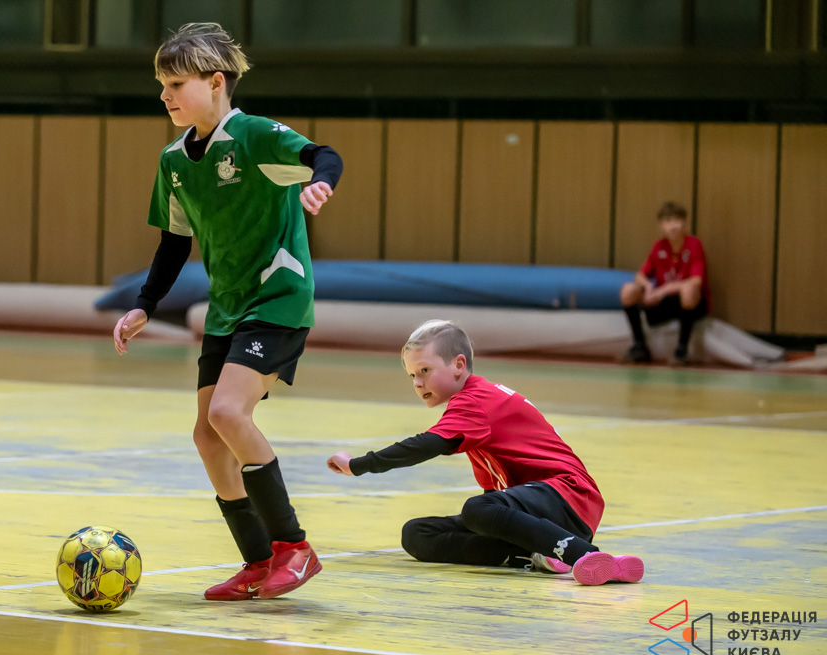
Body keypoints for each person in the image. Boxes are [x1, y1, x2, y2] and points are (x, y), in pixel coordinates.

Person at [113, 23, 343, 600]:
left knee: (227, 413)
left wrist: (319, 183)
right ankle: (258, 561)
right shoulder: (173, 161)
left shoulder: (256, 135)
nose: (165, 95)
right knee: (207, 435)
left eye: (176, 84)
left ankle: (295, 548)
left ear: (216, 83)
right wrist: (144, 305)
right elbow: (174, 242)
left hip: (278, 299)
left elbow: (324, 155)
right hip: (227, 309)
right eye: (161, 85)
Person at [326, 320, 644, 586]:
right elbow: (495, 492)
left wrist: (357, 464)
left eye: (424, 370)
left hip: (568, 498)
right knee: (418, 533)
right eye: (412, 375)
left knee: (477, 509)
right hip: (536, 513)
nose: (418, 383)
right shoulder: (473, 401)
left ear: (458, 365)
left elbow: (426, 445)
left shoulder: (475, 400)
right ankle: (533, 555)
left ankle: (584, 555)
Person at [621, 201, 711, 365]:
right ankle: (639, 346)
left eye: (677, 220)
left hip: (692, 304)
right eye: (668, 221)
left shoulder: (694, 245)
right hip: (666, 303)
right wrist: (648, 286)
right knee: (627, 290)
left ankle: (681, 350)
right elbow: (640, 275)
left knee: (688, 289)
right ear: (661, 225)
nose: (673, 226)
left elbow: (696, 281)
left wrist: (663, 289)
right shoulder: (659, 247)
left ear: (684, 223)